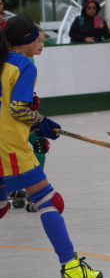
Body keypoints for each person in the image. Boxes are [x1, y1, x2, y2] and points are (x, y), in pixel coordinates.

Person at [0, 15, 104, 278]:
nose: (40, 41)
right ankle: (72, 268)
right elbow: (18, 109)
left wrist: (34, 123)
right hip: (10, 150)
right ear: (26, 41)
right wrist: (41, 121)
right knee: (50, 201)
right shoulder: (23, 65)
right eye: (37, 37)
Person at [8, 27, 50, 212]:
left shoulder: (28, 60)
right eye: (37, 40)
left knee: (39, 144)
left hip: (16, 115)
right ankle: (31, 191)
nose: (40, 45)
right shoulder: (23, 62)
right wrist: (38, 118)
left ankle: (17, 190)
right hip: (10, 118)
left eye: (42, 41)